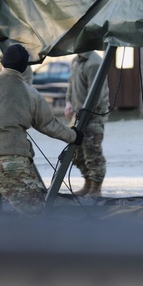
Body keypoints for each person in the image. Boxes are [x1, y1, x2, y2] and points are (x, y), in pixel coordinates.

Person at [0, 44, 80, 218]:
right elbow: (49, 125)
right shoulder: (30, 93)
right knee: (34, 214)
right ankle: (32, 244)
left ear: (3, 62)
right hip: (11, 161)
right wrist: (73, 136)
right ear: (24, 67)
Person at [64, 51, 108, 196]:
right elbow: (71, 83)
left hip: (92, 117)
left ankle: (95, 189)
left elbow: (96, 94)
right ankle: (88, 184)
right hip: (77, 116)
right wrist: (68, 102)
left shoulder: (94, 62)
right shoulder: (76, 61)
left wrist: (86, 112)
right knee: (77, 154)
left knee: (92, 154)